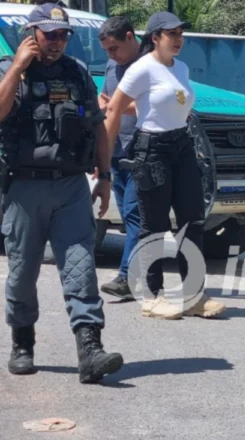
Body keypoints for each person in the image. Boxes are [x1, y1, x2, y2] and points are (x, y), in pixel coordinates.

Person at [0, 2, 124, 383]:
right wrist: (17, 68)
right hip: (24, 188)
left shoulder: (76, 73)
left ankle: (90, 350)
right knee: (23, 273)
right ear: (32, 35)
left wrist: (105, 177)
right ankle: (22, 341)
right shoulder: (6, 69)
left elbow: (98, 126)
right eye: (49, 35)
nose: (57, 42)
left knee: (81, 266)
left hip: (71, 186)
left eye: (63, 35)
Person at [103, 11, 225, 320]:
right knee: (153, 225)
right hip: (152, 149)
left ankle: (194, 295)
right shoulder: (142, 69)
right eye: (171, 34)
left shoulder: (181, 68)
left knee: (192, 221)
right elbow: (115, 109)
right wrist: (103, 159)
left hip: (181, 147)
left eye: (181, 33)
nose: (178, 39)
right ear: (155, 38)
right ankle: (151, 296)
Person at [96, 15, 143, 301]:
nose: (111, 56)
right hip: (115, 149)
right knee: (128, 214)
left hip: (141, 150)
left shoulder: (151, 64)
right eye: (106, 51)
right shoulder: (113, 64)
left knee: (135, 213)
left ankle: (128, 276)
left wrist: (117, 106)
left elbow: (152, 103)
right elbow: (104, 96)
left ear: (130, 37)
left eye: (114, 48)